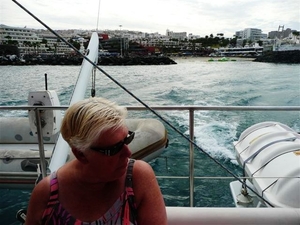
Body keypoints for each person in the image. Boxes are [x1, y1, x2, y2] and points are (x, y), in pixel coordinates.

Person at [25, 97, 167, 225]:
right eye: (114, 149)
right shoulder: (47, 194)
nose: (128, 153)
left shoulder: (138, 177)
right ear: (81, 154)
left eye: (127, 139)